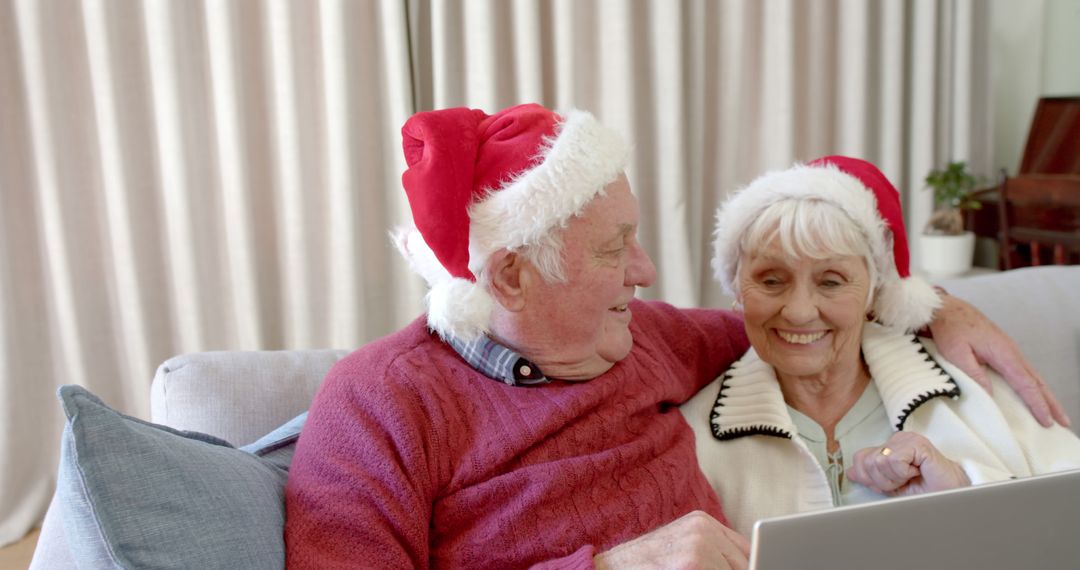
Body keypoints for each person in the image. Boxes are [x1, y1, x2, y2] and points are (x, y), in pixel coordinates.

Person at [284, 104, 1067, 569]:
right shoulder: (379, 405)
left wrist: (934, 304)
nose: (646, 270)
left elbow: (799, 319)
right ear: (513, 277)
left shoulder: (642, 338)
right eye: (612, 248)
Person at [682, 155, 1080, 536]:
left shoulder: (975, 387)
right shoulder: (693, 439)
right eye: (771, 280)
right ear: (737, 290)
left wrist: (965, 488)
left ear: (873, 292)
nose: (800, 312)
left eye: (831, 281)